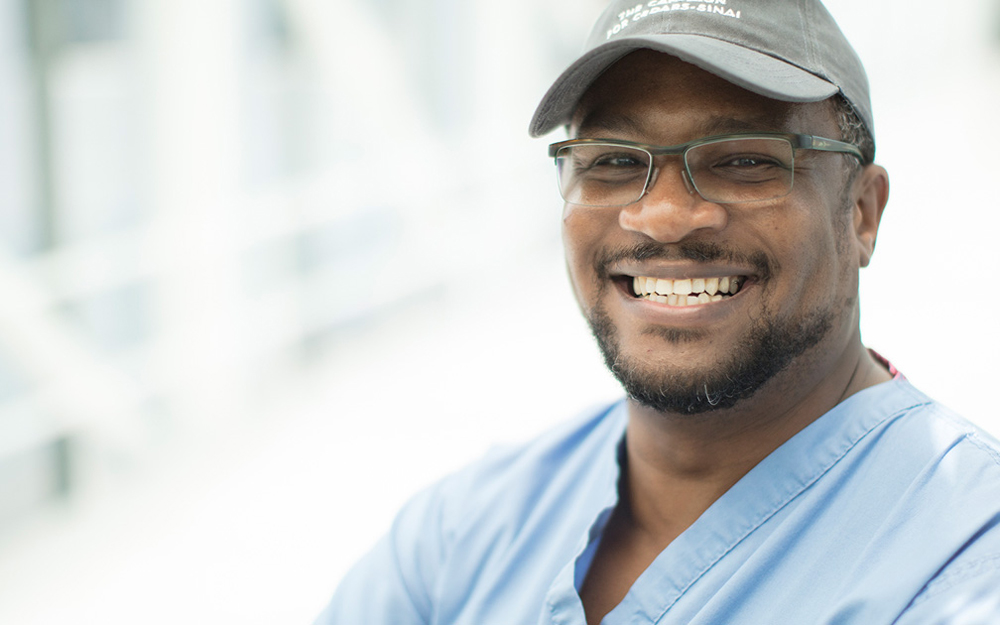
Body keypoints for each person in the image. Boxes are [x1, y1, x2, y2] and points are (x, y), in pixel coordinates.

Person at [315, 1, 1000, 623]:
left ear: (861, 212)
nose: (664, 216)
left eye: (742, 160)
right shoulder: (463, 535)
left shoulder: (962, 556)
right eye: (613, 159)